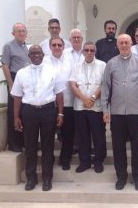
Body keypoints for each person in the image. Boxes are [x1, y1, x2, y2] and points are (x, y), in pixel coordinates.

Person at [11, 45, 65, 192]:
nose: (36, 55)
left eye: (38, 53)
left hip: (48, 110)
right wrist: (16, 117)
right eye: (33, 53)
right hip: (29, 112)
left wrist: (60, 113)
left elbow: (59, 94)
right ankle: (31, 178)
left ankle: (47, 178)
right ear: (29, 56)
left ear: (43, 55)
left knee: (48, 146)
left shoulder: (53, 71)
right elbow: (17, 96)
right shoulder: (21, 73)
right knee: (30, 146)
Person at [101, 34, 138, 191]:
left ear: (131, 44)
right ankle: (121, 176)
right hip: (117, 113)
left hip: (136, 113)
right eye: (121, 43)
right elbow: (105, 88)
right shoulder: (111, 63)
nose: (124, 45)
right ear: (117, 45)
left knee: (137, 146)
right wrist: (105, 109)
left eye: (126, 42)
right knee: (118, 146)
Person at [70, 41, 107, 174]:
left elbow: (104, 84)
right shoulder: (76, 66)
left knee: (98, 135)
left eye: (92, 50)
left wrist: (91, 98)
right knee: (82, 136)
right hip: (80, 107)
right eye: (87, 50)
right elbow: (73, 85)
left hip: (96, 107)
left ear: (95, 52)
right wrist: (84, 98)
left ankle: (98, 161)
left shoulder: (103, 65)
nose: (89, 53)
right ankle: (84, 162)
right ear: (82, 52)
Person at [42, 37, 75, 171]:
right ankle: (49, 159)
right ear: (50, 47)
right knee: (49, 134)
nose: (57, 47)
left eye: (59, 45)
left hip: (68, 102)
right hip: (50, 104)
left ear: (63, 47)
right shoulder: (43, 61)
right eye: (54, 45)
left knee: (68, 134)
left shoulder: (70, 60)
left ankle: (65, 159)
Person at [1, 22, 30, 152]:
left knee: (23, 111)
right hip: (14, 80)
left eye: (24, 31)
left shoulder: (26, 47)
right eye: (19, 31)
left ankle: (23, 141)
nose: (22, 33)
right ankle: (14, 143)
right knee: (14, 112)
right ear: (13, 33)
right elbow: (5, 66)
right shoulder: (8, 46)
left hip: (25, 81)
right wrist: (11, 84)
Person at [61, 29, 86, 158]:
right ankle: (66, 156)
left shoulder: (86, 55)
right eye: (74, 37)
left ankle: (81, 151)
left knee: (82, 129)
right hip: (67, 98)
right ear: (70, 40)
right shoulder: (63, 54)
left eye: (78, 37)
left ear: (82, 40)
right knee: (68, 130)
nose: (76, 39)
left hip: (83, 99)